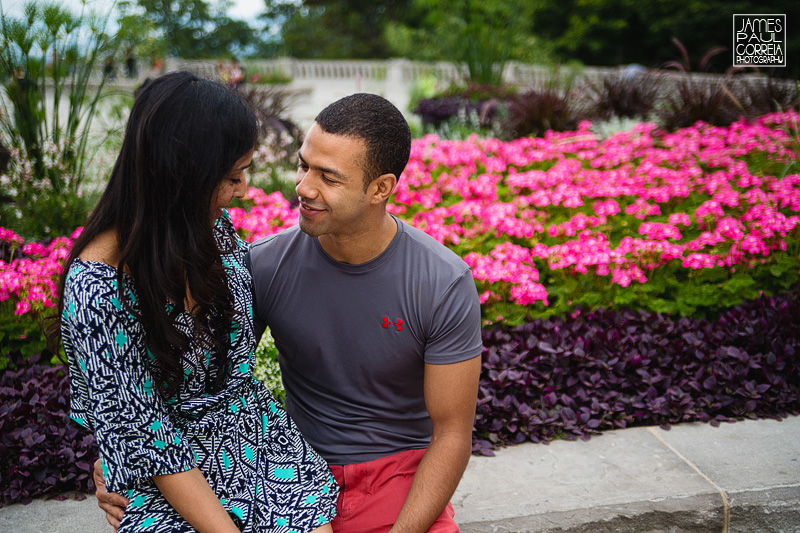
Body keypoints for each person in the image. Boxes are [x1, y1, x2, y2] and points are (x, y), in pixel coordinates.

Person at [96, 93, 483, 532]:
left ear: (380, 188)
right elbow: (193, 378)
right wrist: (115, 452)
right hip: (289, 474)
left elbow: (453, 433)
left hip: (399, 477)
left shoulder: (442, 282)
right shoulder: (263, 265)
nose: (303, 187)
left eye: (329, 178)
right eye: (304, 165)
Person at [57, 71, 338, 533]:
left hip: (256, 442)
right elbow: (149, 437)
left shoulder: (208, 228)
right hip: (164, 474)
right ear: (182, 177)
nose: (243, 189)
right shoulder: (97, 289)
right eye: (231, 176)